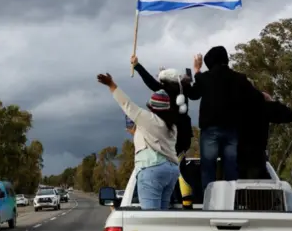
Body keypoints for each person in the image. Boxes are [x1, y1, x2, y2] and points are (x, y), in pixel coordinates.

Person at [97, 71, 179, 210]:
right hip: (171, 171)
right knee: (162, 217)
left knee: (151, 219)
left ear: (152, 107)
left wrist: (111, 85)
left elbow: (126, 104)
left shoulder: (148, 118)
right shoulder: (172, 126)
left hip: (152, 168)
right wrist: (136, 133)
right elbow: (155, 140)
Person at [187, 46, 264, 190]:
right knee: (231, 167)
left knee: (208, 168)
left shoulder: (205, 77)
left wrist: (196, 71)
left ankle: (209, 202)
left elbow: (193, 94)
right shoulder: (239, 78)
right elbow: (257, 98)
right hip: (232, 129)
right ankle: (230, 201)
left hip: (210, 129)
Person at [131, 55, 194, 155]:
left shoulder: (164, 90)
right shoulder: (184, 89)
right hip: (185, 134)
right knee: (180, 161)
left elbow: (150, 81)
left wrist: (137, 65)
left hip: (168, 134)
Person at [238, 90, 292, 179]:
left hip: (234, 156)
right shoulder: (262, 108)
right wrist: (270, 103)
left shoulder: (235, 108)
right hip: (255, 157)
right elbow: (290, 115)